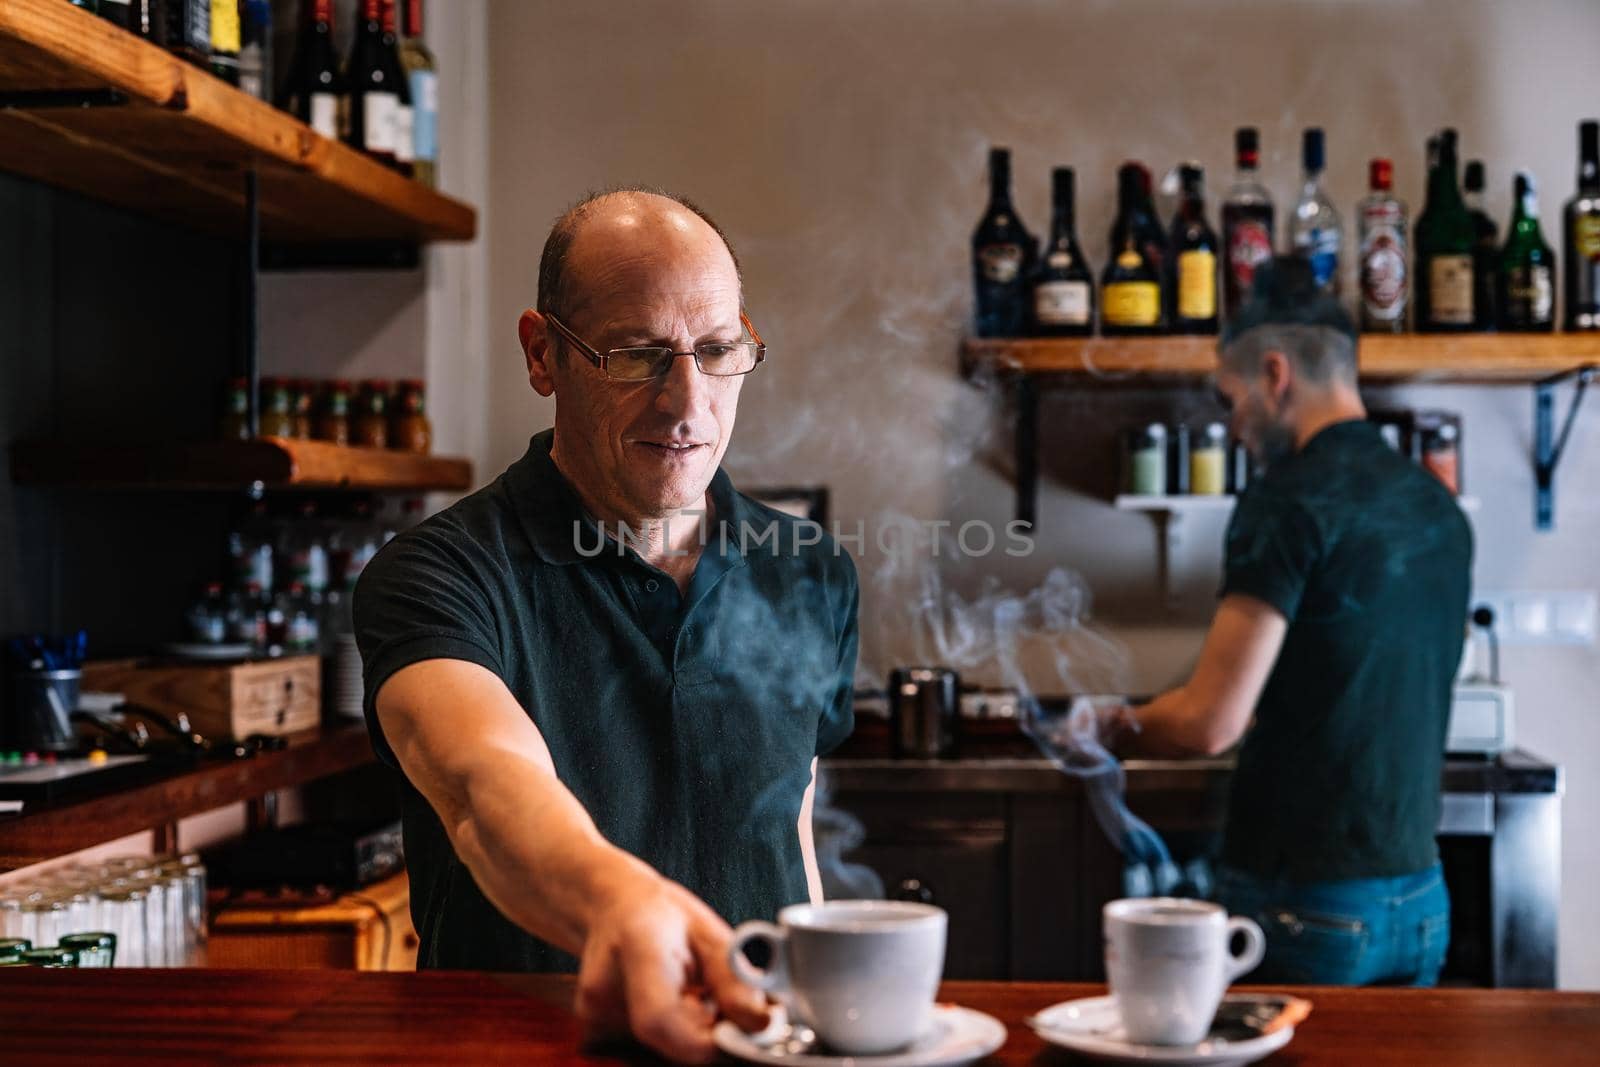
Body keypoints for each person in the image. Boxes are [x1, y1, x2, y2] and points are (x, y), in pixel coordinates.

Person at [353, 188, 860, 1062]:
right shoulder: (440, 575)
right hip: (521, 1048)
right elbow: (484, 785)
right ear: (543, 353)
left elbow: (791, 826)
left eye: (716, 350)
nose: (687, 402)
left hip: (753, 1043)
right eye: (638, 355)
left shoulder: (808, 571)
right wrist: (621, 905)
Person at [1108, 256, 1472, 986]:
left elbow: (1212, 721)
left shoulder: (1287, 500)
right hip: (1422, 900)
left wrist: (1113, 724)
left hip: (1308, 905)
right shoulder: (1437, 505)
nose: (1235, 425)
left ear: (1276, 374)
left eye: (1231, 398)